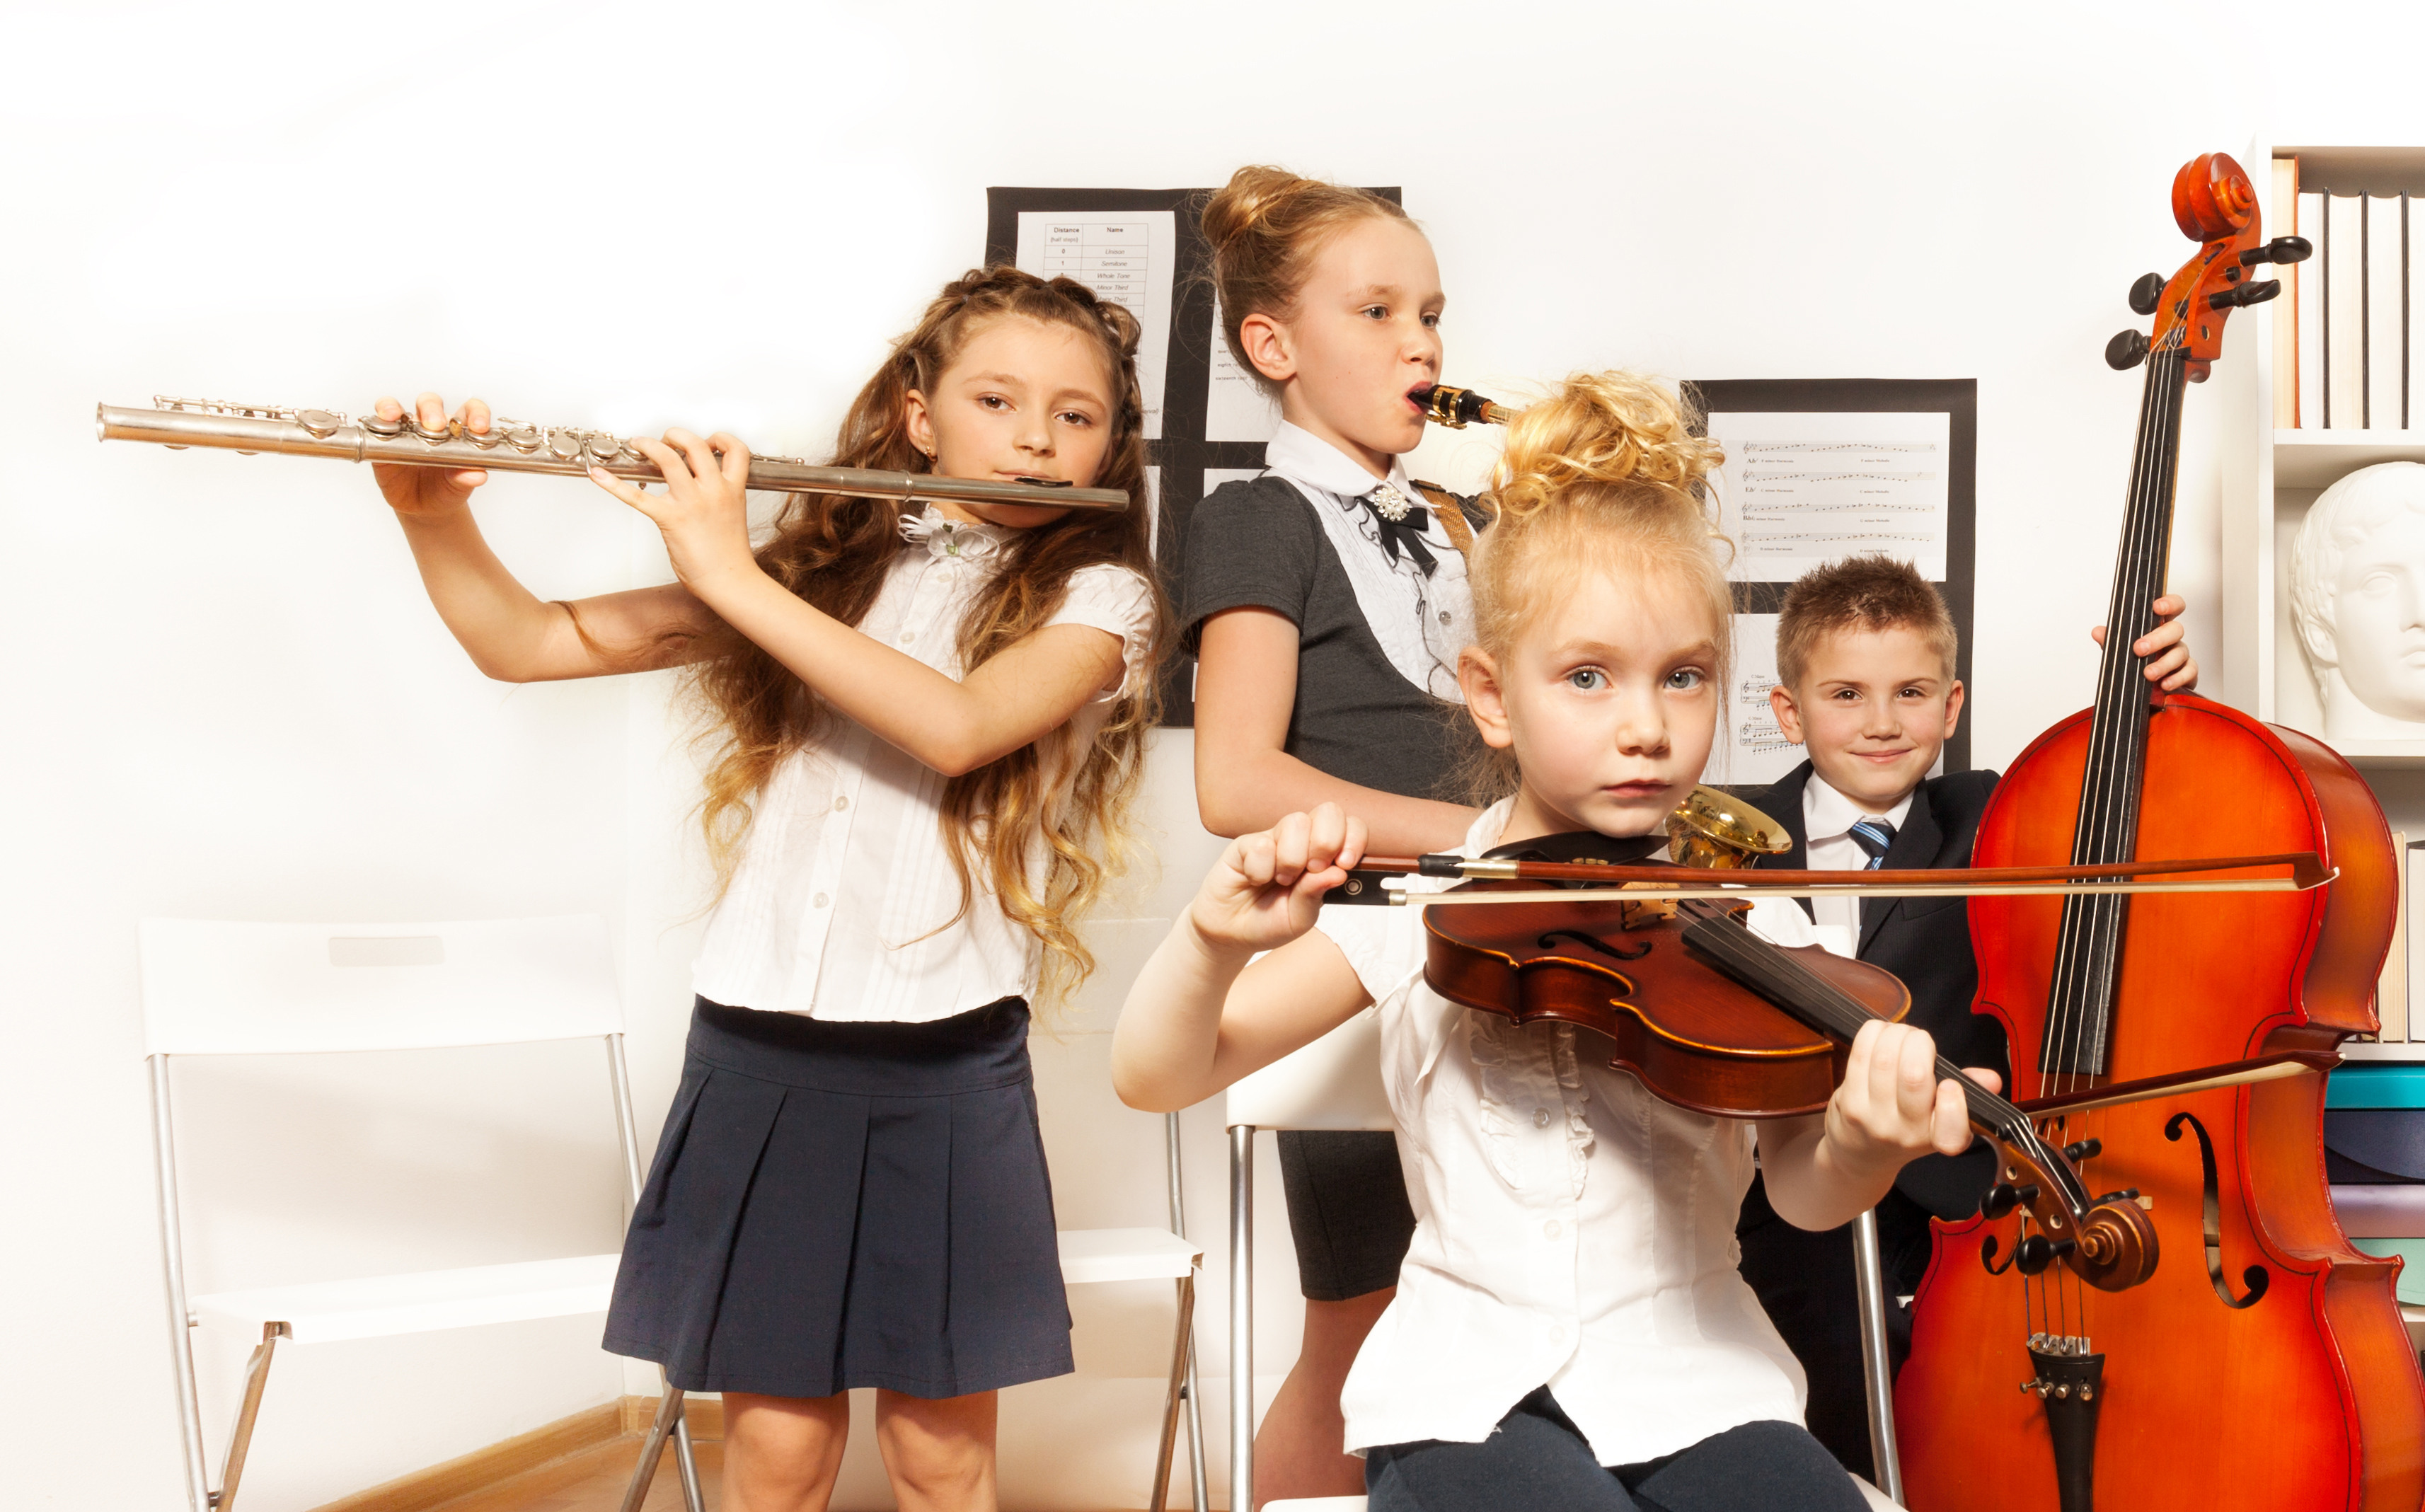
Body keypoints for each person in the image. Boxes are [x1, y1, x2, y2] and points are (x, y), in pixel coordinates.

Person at [1118, 373, 1996, 1511]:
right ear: (1491, 695)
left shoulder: (1754, 925)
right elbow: (1158, 1073)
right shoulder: (1439, 907)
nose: (1645, 725)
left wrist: (1869, 1143)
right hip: (1464, 1396)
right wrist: (1210, 940)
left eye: (1682, 677)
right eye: (1588, 677)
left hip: (1706, 1383)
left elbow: (1802, 1194)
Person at [365, 266, 1162, 1512]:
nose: (1037, 440)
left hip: (945, 1065)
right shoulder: (822, 573)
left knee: (940, 1461)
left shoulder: (1100, 599)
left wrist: (729, 571)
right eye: (998, 399)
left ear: (1113, 441)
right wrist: (432, 517)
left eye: (1077, 415)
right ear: (918, 417)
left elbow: (955, 728)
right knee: (779, 1456)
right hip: (759, 1050)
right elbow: (527, 643)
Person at [1729, 553, 2196, 1478]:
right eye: (1846, 693)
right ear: (1789, 711)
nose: (1881, 722)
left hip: (1956, 1217)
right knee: (1792, 1445)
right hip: (1776, 1207)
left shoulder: (1995, 812)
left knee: (1951, 1451)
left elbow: (2129, 820)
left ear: (1951, 705)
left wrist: (2150, 709)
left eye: (1911, 692)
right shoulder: (1729, 835)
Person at [1180, 164, 1486, 1504]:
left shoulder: (1457, 524)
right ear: (1274, 346)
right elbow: (1237, 781)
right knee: (1358, 1317)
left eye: (1431, 311)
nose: (1422, 342)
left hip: (1477, 959)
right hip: (1351, 968)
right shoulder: (1257, 515)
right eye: (1377, 311)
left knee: (1484, 1304)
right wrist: (1479, 841)